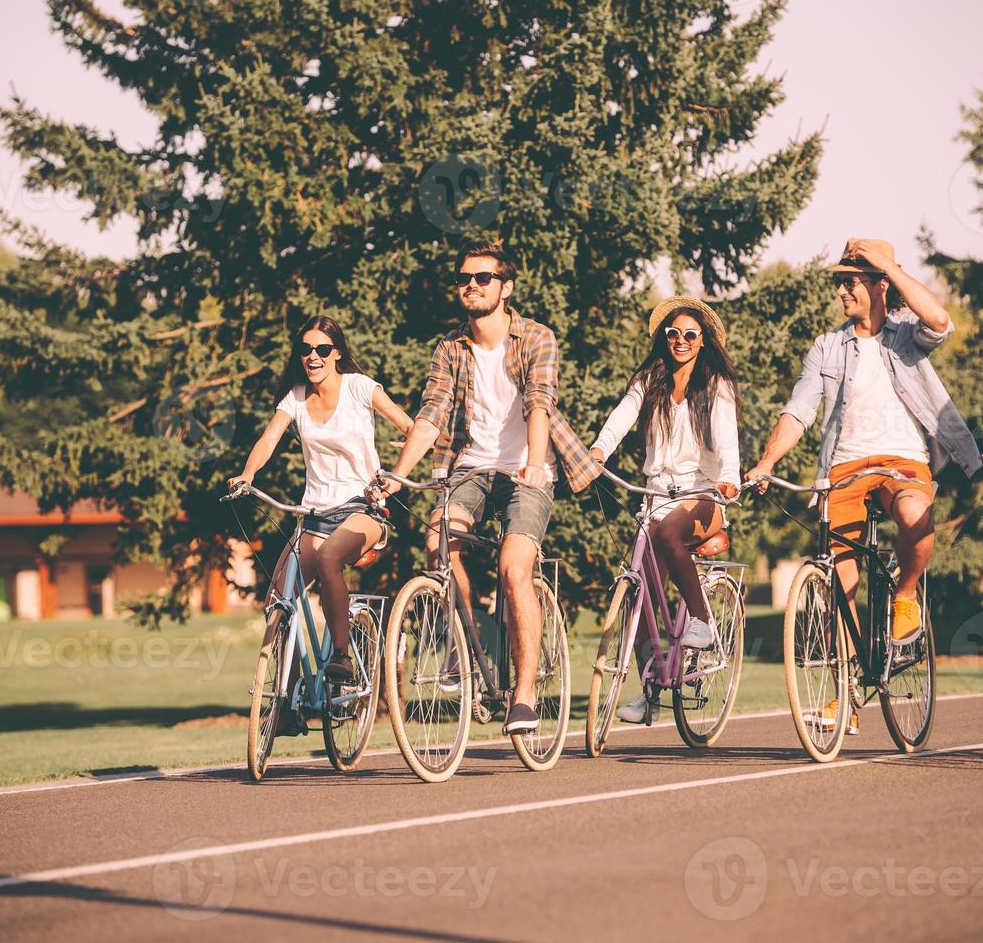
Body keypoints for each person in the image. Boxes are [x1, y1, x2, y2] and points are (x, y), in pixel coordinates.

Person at [746, 238, 981, 733]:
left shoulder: (906, 335)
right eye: (838, 282)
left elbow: (941, 320)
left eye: (850, 281)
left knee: (917, 514)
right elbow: (799, 410)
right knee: (839, 584)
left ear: (879, 283)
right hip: (844, 471)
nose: (841, 291)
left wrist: (888, 267)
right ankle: (845, 694)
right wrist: (766, 461)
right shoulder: (828, 346)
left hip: (903, 463)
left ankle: (906, 593)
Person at [372, 239, 599, 736]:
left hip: (525, 469)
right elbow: (431, 415)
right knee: (437, 543)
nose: (471, 286)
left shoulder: (536, 337)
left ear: (506, 286)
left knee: (514, 567)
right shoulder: (450, 347)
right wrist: (396, 474)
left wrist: (536, 465)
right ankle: (469, 653)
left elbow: (540, 402)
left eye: (483, 278)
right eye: (463, 279)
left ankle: (524, 695)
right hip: (471, 469)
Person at [229, 316, 413, 693]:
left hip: (363, 509)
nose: (313, 356)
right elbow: (268, 440)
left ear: (337, 353)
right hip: (314, 514)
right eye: (306, 349)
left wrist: (397, 474)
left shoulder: (360, 388)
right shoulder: (295, 397)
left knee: (329, 558)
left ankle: (341, 657)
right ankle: (287, 697)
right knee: (277, 602)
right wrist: (247, 474)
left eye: (322, 349)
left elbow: (409, 427)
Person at [589, 297, 741, 725]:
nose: (680, 340)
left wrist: (730, 475)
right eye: (673, 333)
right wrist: (599, 450)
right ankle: (651, 689)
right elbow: (621, 418)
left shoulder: (716, 386)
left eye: (690, 334)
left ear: (702, 341)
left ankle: (700, 619)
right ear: (664, 338)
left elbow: (727, 438)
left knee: (670, 534)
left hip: (704, 493)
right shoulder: (650, 378)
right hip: (654, 496)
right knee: (639, 593)